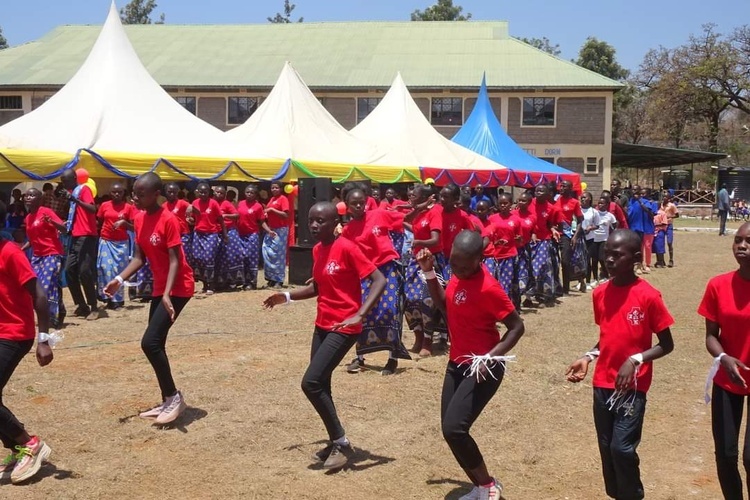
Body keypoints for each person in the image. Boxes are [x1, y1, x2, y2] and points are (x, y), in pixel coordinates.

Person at [263, 202, 386, 471]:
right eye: (311, 220)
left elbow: (379, 280)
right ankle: (336, 442)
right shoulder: (318, 250)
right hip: (322, 324)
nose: (315, 225)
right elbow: (317, 288)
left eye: (321, 221)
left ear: (334, 223)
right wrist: (285, 297)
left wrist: (360, 314)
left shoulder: (349, 248)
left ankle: (341, 442)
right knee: (322, 385)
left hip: (344, 328)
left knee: (311, 383)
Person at [566, 229, 674, 500]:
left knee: (622, 448)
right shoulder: (600, 293)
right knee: (606, 448)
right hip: (603, 383)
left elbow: (666, 344)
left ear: (636, 258)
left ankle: (634, 495)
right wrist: (588, 357)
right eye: (607, 254)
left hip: (631, 387)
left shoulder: (649, 296)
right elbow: (607, 338)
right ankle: (617, 494)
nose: (609, 260)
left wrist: (635, 359)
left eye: (617, 255)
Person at [416, 230, 524, 500]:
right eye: (453, 264)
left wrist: (491, 356)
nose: (458, 270)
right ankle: (479, 486)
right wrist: (430, 273)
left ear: (479, 260)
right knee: (450, 430)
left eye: (464, 266)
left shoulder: (489, 287)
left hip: (484, 366)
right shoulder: (457, 275)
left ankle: (488, 485)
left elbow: (517, 327)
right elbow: (445, 306)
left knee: (455, 428)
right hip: (457, 363)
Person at [104, 172, 194, 426]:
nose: (135, 196)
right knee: (155, 343)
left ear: (156, 194)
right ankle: (168, 398)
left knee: (150, 343)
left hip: (178, 288)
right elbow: (138, 258)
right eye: (135, 192)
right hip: (160, 288)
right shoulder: (139, 216)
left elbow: (176, 259)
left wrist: (167, 293)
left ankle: (174, 397)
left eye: (140, 193)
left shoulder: (169, 219)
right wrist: (119, 279)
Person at [0, 200, 54, 484]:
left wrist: (44, 340)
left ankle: (30, 444)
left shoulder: (10, 253)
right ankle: (17, 449)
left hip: (15, 334)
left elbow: (40, 295)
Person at [698, 221, 750, 499]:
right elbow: (710, 336)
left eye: (748, 241)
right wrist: (724, 357)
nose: (742, 246)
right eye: (738, 240)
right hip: (728, 379)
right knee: (726, 454)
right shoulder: (718, 285)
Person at [339, 185, 410, 375]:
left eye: (362, 203)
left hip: (387, 269)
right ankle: (360, 357)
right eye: (354, 204)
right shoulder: (347, 230)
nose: (359, 206)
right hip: (365, 274)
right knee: (363, 312)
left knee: (390, 310)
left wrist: (420, 212)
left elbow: (404, 220)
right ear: (347, 206)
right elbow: (343, 255)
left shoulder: (379, 215)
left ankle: (392, 357)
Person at [403, 183, 447, 358]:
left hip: (432, 259)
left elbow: (435, 239)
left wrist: (419, 242)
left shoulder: (435, 211)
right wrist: (418, 207)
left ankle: (428, 341)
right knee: (408, 299)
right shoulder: (419, 211)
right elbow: (405, 220)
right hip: (415, 260)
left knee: (427, 300)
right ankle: (418, 337)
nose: (411, 198)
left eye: (414, 196)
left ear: (423, 197)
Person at [22, 188, 68, 329]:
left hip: (52, 253)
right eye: (27, 195)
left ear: (39, 198)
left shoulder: (46, 212)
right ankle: (60, 309)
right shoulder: (28, 218)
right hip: (37, 256)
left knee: (47, 285)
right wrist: (21, 249)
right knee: (37, 288)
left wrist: (52, 222)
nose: (28, 197)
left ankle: (51, 318)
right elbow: (33, 239)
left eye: (32, 195)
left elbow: (64, 229)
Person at [60, 169, 100, 320]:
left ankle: (94, 306)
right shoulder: (73, 193)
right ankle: (81, 305)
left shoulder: (84, 189)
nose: (65, 184)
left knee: (84, 271)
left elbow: (92, 209)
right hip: (75, 235)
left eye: (67, 180)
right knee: (69, 270)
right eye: (63, 181)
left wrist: (74, 199)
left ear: (75, 178)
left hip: (87, 235)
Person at [96, 182, 135, 310]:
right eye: (114, 192)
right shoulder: (104, 205)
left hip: (121, 243)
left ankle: (118, 300)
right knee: (105, 268)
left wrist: (125, 224)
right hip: (106, 241)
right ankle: (107, 297)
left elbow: (135, 227)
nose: (117, 194)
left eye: (119, 192)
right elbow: (100, 220)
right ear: (110, 193)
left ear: (124, 193)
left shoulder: (129, 208)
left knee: (119, 271)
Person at [187, 182, 226, 295]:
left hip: (211, 234)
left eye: (206, 192)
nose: (203, 194)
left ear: (209, 192)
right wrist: (190, 221)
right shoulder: (194, 203)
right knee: (198, 258)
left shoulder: (213, 203)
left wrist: (225, 234)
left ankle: (211, 285)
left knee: (209, 258)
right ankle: (204, 285)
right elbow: (194, 220)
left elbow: (221, 220)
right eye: (201, 192)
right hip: (198, 234)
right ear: (197, 192)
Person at [527, 184, 562, 306]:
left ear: (548, 194)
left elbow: (550, 223)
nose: (539, 192)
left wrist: (553, 230)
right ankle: (529, 297)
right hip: (528, 240)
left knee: (540, 267)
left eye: (542, 190)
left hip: (543, 240)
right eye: (537, 190)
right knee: (528, 268)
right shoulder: (528, 203)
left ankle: (544, 294)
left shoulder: (551, 208)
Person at [483, 193, 521, 305]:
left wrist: (518, 239)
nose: (503, 206)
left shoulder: (516, 220)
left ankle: (506, 307)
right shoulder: (491, 219)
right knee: (494, 283)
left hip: (509, 255)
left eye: (505, 203)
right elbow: (488, 237)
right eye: (501, 204)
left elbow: (520, 240)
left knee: (506, 283)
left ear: (510, 204)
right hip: (494, 256)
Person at [236, 184, 273, 290]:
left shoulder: (258, 206)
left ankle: (251, 282)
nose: (249, 194)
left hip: (252, 235)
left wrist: (269, 231)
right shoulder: (240, 203)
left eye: (252, 193)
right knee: (241, 257)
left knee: (250, 258)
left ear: (255, 194)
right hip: (240, 235)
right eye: (247, 192)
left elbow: (261, 222)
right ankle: (243, 281)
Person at [440, 183, 476, 278]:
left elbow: (473, 234)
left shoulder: (462, 215)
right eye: (441, 196)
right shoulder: (436, 212)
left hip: (453, 258)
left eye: (446, 197)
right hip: (436, 255)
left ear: (455, 199)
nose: (442, 199)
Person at [555, 180, 584, 294]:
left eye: (564, 186)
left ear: (570, 189)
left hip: (566, 235)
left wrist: (575, 236)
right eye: (561, 186)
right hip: (554, 233)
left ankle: (566, 288)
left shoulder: (574, 202)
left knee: (565, 261)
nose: (561, 188)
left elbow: (580, 220)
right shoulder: (555, 200)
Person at [214, 186, 244, 290]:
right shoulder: (212, 203)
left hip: (230, 232)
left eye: (221, 193)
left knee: (231, 257)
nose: (219, 194)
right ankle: (220, 282)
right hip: (217, 233)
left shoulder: (227, 204)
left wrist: (225, 216)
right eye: (217, 192)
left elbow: (236, 215)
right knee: (220, 259)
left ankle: (233, 282)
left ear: (224, 195)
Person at [262, 181, 290, 289]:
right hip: (271, 229)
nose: (274, 190)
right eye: (272, 188)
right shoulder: (272, 199)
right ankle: (271, 279)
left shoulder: (283, 199)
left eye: (276, 188)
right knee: (268, 252)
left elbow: (285, 215)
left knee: (278, 255)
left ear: (281, 189)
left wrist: (272, 210)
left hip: (281, 230)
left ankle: (279, 280)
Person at [514, 191, 537, 310]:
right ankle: (515, 301)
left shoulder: (532, 217)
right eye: (519, 200)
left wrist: (533, 236)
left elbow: (533, 230)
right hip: (513, 249)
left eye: (524, 201)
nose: (521, 202)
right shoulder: (512, 214)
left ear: (529, 203)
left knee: (525, 273)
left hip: (525, 249)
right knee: (514, 274)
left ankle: (527, 297)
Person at [627, 187, 657, 273]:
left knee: (647, 246)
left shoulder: (648, 202)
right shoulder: (631, 201)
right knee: (638, 247)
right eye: (632, 190)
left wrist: (640, 201)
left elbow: (651, 213)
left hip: (647, 227)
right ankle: (638, 265)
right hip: (636, 227)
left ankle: (647, 264)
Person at [163, 182, 193, 269]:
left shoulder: (182, 203)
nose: (172, 194)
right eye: (169, 192)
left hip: (183, 234)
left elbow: (192, 208)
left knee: (184, 256)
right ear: (166, 192)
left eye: (174, 192)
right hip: (170, 236)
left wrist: (191, 207)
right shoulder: (163, 206)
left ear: (177, 193)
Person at [592, 197, 618, 284]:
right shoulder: (595, 214)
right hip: (594, 239)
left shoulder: (610, 216)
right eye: (599, 203)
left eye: (602, 203)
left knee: (602, 259)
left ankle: (606, 276)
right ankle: (595, 278)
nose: (600, 205)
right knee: (594, 260)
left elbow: (615, 225)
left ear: (607, 205)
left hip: (604, 239)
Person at [580, 192, 601, 289]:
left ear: (589, 199)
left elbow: (597, 225)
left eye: (584, 197)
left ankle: (588, 281)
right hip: (579, 238)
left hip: (590, 238)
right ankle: (580, 280)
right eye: (581, 197)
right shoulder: (578, 209)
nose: (582, 199)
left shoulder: (594, 211)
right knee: (579, 260)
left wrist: (590, 228)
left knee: (588, 260)